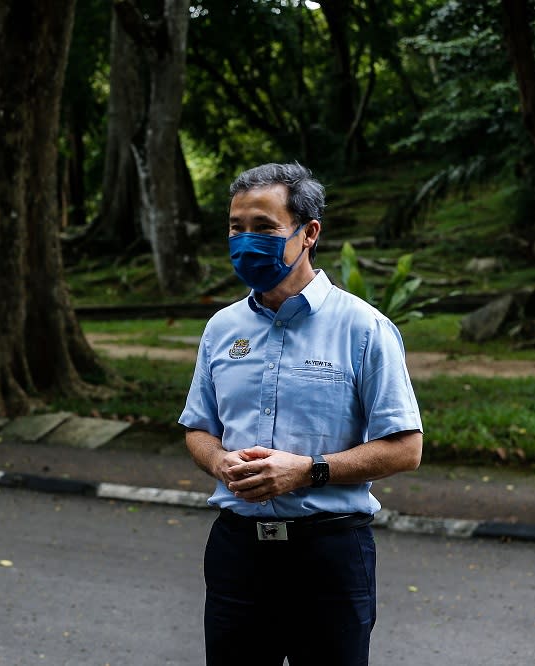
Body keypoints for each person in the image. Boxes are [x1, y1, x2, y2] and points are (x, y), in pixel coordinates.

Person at [178, 162, 423, 665]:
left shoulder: (364, 329)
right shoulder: (222, 328)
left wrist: (306, 472)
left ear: (308, 233)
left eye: (264, 228)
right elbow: (199, 428)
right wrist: (218, 462)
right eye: (236, 228)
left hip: (328, 555)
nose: (246, 241)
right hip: (237, 553)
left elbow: (406, 448)